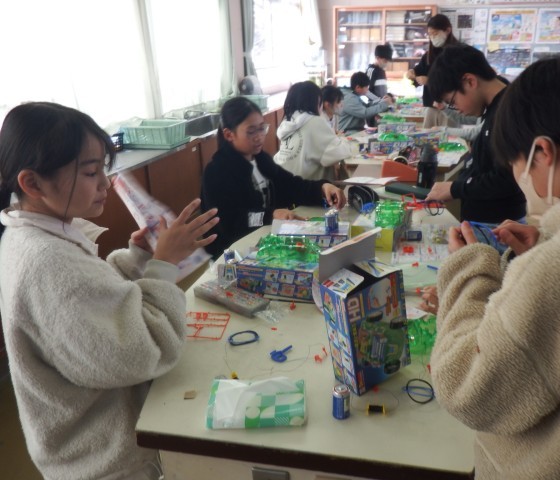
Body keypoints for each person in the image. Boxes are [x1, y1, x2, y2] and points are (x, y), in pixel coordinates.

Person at [431, 57, 560, 478]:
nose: (518, 177)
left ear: (542, 152)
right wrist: (545, 248)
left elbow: (468, 387)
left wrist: (469, 270)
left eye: (515, 163)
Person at [0, 102, 220, 479]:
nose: (105, 182)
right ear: (32, 183)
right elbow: (143, 350)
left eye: (103, 167)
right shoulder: (47, 262)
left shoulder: (28, 234)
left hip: (90, 445)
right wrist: (164, 265)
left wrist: (137, 258)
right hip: (108, 463)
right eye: (90, 172)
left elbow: (92, 298)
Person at [201, 96, 346, 259]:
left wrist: (322, 188)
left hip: (268, 242)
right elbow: (230, 222)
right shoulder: (216, 171)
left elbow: (291, 185)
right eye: (251, 131)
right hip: (234, 254)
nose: (259, 136)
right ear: (229, 134)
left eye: (261, 128)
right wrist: (271, 215)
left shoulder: (261, 159)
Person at [425, 44, 526, 224]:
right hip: (487, 221)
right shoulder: (495, 106)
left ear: (470, 81)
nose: (456, 109)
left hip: (498, 225)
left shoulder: (509, 111)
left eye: (452, 101)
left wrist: (455, 189)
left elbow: (508, 179)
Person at [274, 81, 353, 181]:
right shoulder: (315, 121)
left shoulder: (288, 120)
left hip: (282, 179)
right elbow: (337, 153)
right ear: (315, 101)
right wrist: (345, 142)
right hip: (306, 185)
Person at [406, 14, 460, 127]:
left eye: (435, 34)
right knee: (428, 136)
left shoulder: (459, 53)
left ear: (447, 30)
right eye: (430, 34)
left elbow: (458, 80)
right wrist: (412, 72)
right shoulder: (429, 54)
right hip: (431, 106)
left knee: (448, 136)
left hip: (450, 107)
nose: (432, 37)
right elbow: (419, 71)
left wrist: (430, 81)